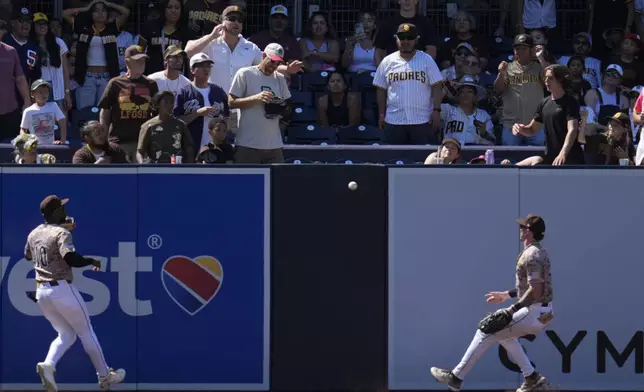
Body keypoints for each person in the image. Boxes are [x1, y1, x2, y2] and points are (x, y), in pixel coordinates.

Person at [431, 214, 554, 392]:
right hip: (542, 311)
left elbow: (536, 290)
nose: (520, 230)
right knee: (503, 334)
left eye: (522, 228)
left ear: (529, 231)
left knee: (486, 330)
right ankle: (531, 377)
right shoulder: (538, 251)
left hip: (534, 311)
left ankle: (456, 377)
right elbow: (532, 286)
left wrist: (512, 309)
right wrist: (507, 294)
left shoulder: (532, 254)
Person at [26, 195, 126, 391]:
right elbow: (70, 258)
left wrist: (53, 238)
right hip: (60, 289)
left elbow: (28, 255)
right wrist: (91, 261)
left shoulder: (33, 233)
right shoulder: (61, 233)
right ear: (56, 212)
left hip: (42, 292)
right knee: (85, 331)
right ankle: (105, 376)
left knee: (66, 333)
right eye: (61, 208)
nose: (65, 210)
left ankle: (48, 365)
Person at [372, 23, 443, 145]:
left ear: (416, 40)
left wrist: (436, 110)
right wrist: (382, 114)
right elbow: (381, 90)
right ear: (396, 38)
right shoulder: (387, 61)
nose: (405, 41)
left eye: (410, 37)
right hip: (394, 120)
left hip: (422, 120)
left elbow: (437, 86)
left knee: (423, 160)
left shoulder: (426, 59)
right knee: (392, 160)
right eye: (402, 37)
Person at [229, 43, 291, 163]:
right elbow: (231, 102)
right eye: (272, 61)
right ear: (263, 56)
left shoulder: (280, 78)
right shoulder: (245, 73)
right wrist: (256, 98)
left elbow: (288, 106)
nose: (274, 66)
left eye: (278, 63)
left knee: (277, 181)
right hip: (248, 144)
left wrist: (278, 106)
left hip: (274, 145)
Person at [61, 0, 131, 109]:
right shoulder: (83, 27)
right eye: (96, 11)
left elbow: (126, 12)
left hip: (107, 77)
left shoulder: (112, 27)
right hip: (86, 77)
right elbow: (64, 13)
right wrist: (86, 7)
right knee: (85, 112)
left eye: (103, 10)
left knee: (105, 111)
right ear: (91, 14)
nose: (100, 13)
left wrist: (110, 4)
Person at [513, 64, 584, 166]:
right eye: (545, 77)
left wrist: (562, 153)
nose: (546, 80)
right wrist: (519, 128)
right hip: (551, 158)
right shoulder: (544, 103)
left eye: (550, 78)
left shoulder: (570, 102)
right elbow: (531, 130)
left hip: (571, 159)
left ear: (560, 80)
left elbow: (572, 129)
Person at [98, 45, 159, 161]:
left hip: (142, 143)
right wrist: (104, 136)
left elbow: (156, 113)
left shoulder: (151, 84)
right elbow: (104, 111)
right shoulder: (115, 83)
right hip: (118, 141)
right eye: (137, 60)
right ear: (127, 62)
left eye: (143, 60)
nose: (142, 63)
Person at [495, 34, 546, 146]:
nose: (519, 51)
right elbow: (498, 89)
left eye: (523, 48)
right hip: (511, 125)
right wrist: (501, 73)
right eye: (517, 48)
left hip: (535, 125)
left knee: (537, 160)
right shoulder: (507, 67)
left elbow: (549, 82)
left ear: (531, 50)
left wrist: (540, 58)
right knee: (510, 160)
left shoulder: (539, 67)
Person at [174, 52, 230, 150]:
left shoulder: (218, 91)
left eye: (208, 66)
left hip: (216, 149)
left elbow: (228, 117)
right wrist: (197, 113)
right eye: (201, 66)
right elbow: (175, 124)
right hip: (190, 148)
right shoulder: (183, 93)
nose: (206, 69)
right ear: (192, 70)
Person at [137, 90, 195, 163]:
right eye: (166, 102)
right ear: (157, 105)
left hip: (176, 167)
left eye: (171, 102)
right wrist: (142, 165)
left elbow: (189, 148)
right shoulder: (148, 126)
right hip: (155, 168)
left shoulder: (180, 125)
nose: (169, 105)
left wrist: (189, 165)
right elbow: (140, 152)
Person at [31, 12, 72, 111]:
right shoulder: (30, 44)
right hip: (39, 87)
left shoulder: (58, 42)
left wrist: (67, 92)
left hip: (57, 86)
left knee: (60, 117)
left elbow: (65, 70)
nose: (42, 26)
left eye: (44, 24)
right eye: (39, 24)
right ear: (33, 26)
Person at [439, 75, 494, 145]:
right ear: (458, 95)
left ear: (475, 96)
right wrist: (444, 90)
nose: (465, 95)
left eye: (469, 92)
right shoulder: (448, 110)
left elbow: (492, 142)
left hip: (476, 152)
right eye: (462, 92)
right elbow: (429, 108)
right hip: (451, 151)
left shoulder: (483, 115)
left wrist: (484, 133)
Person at [0, 40, 31, 141]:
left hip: (9, 111)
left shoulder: (11, 51)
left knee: (11, 149)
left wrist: (27, 101)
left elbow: (20, 79)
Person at [20, 79, 67, 145]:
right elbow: (23, 130)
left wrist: (63, 141)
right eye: (41, 92)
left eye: (46, 92)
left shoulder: (53, 105)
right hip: (35, 147)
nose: (44, 94)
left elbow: (62, 121)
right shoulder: (28, 111)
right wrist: (25, 143)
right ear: (32, 94)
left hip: (52, 146)